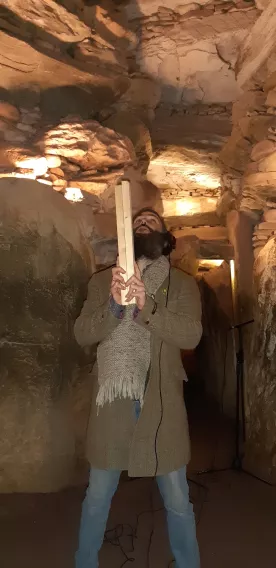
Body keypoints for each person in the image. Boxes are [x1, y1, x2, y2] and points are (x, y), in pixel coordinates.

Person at [74, 207, 202, 568]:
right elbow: (82, 333)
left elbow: (191, 334)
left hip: (160, 403)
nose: (143, 222)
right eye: (136, 223)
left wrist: (147, 306)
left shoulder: (182, 284)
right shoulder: (101, 283)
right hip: (112, 404)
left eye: (151, 221)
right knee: (97, 496)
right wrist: (114, 306)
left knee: (178, 498)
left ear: (164, 238)